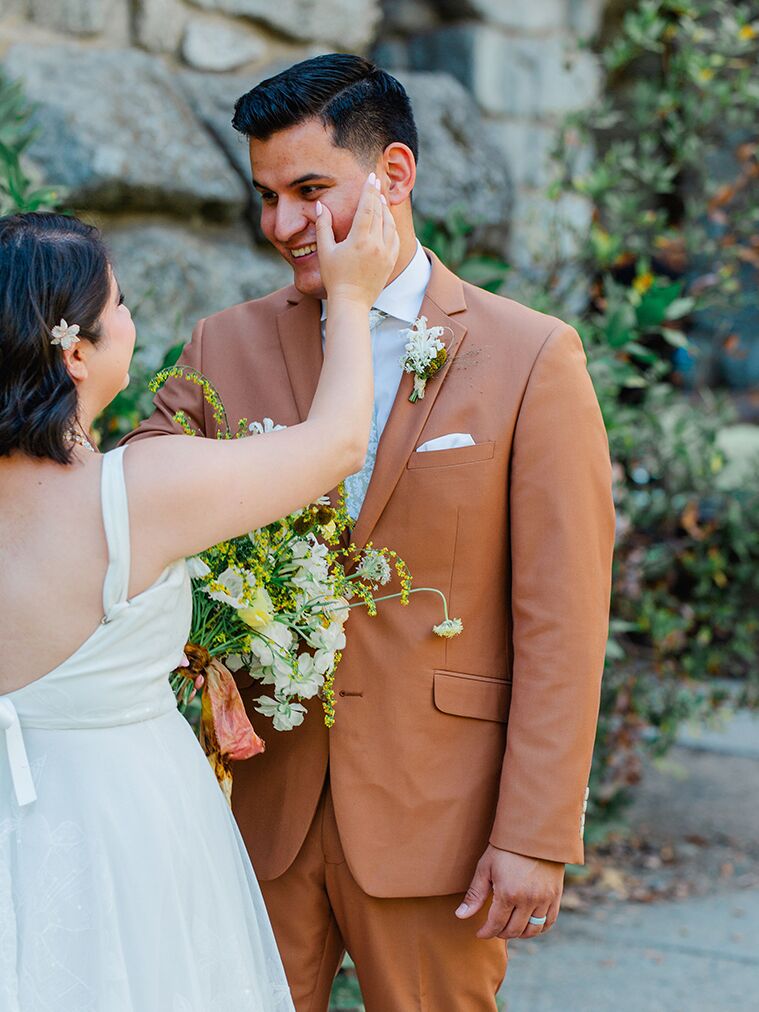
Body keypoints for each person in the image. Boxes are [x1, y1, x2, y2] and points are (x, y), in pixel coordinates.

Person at [126, 54, 616, 1011]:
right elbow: (139, 502)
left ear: (393, 174)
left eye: (311, 191)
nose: (281, 226)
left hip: (442, 821)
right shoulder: (220, 346)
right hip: (255, 808)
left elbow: (564, 620)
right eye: (266, 198)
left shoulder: (531, 357)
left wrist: (534, 833)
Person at [0, 180, 397, 1012]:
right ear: (76, 351)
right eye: (122, 303)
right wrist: (353, 297)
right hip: (121, 821)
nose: (133, 324)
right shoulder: (138, 491)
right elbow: (335, 447)